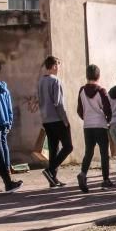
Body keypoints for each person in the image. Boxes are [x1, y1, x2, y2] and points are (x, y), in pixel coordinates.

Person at [76, 64, 114, 192]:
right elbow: (107, 108)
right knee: (104, 153)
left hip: (88, 126)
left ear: (87, 76)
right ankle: (105, 180)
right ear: (98, 76)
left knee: (89, 152)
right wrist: (108, 120)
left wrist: (86, 118)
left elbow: (79, 110)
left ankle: (83, 173)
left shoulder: (81, 90)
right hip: (100, 125)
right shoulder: (101, 91)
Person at [37, 55, 73, 187]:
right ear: (54, 66)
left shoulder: (41, 81)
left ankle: (53, 179)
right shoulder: (55, 81)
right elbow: (58, 103)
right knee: (68, 146)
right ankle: (50, 170)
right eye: (58, 65)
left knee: (53, 149)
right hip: (57, 119)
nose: (59, 68)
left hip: (46, 120)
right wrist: (66, 120)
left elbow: (40, 101)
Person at [0, 72, 23, 193]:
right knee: (3, 145)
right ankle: (6, 168)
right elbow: (9, 107)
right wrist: (9, 121)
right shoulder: (4, 89)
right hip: (4, 121)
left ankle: (4, 169)